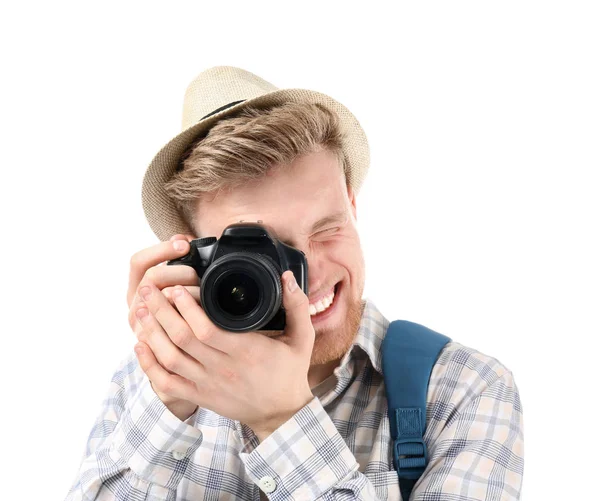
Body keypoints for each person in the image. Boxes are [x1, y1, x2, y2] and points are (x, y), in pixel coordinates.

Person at [65, 66, 524, 500]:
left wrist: (282, 417)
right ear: (194, 255)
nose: (310, 275)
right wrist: (168, 400)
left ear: (352, 206)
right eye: (266, 251)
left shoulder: (462, 389)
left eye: (327, 229)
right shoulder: (150, 378)